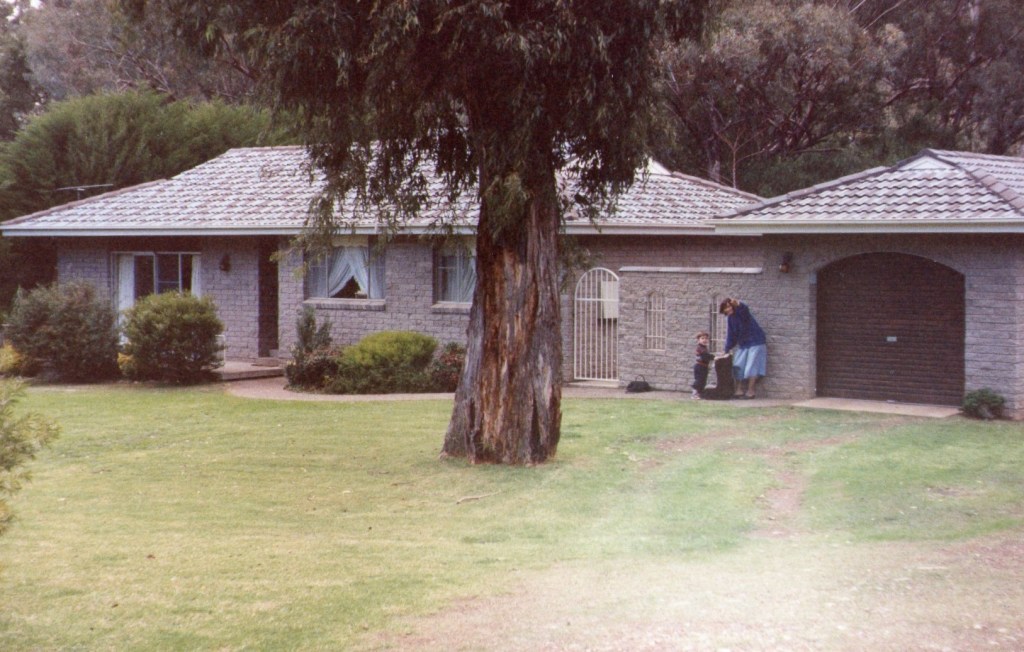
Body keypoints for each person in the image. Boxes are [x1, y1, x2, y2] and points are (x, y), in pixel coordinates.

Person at [720, 298, 767, 399]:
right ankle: (739, 390)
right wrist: (726, 349)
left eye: (729, 306)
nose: (728, 309)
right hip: (743, 344)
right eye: (726, 308)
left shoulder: (741, 313)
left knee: (751, 366)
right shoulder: (730, 319)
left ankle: (751, 391)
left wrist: (738, 304)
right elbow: (731, 335)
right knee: (738, 366)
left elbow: (745, 309)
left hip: (756, 341)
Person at [691, 330, 714, 399]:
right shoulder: (700, 348)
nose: (704, 340)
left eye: (706, 338)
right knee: (699, 380)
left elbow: (708, 355)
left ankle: (700, 393)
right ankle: (694, 393)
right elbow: (705, 356)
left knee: (703, 380)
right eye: (702, 338)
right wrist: (714, 357)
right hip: (699, 366)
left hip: (704, 366)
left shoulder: (704, 348)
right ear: (698, 340)